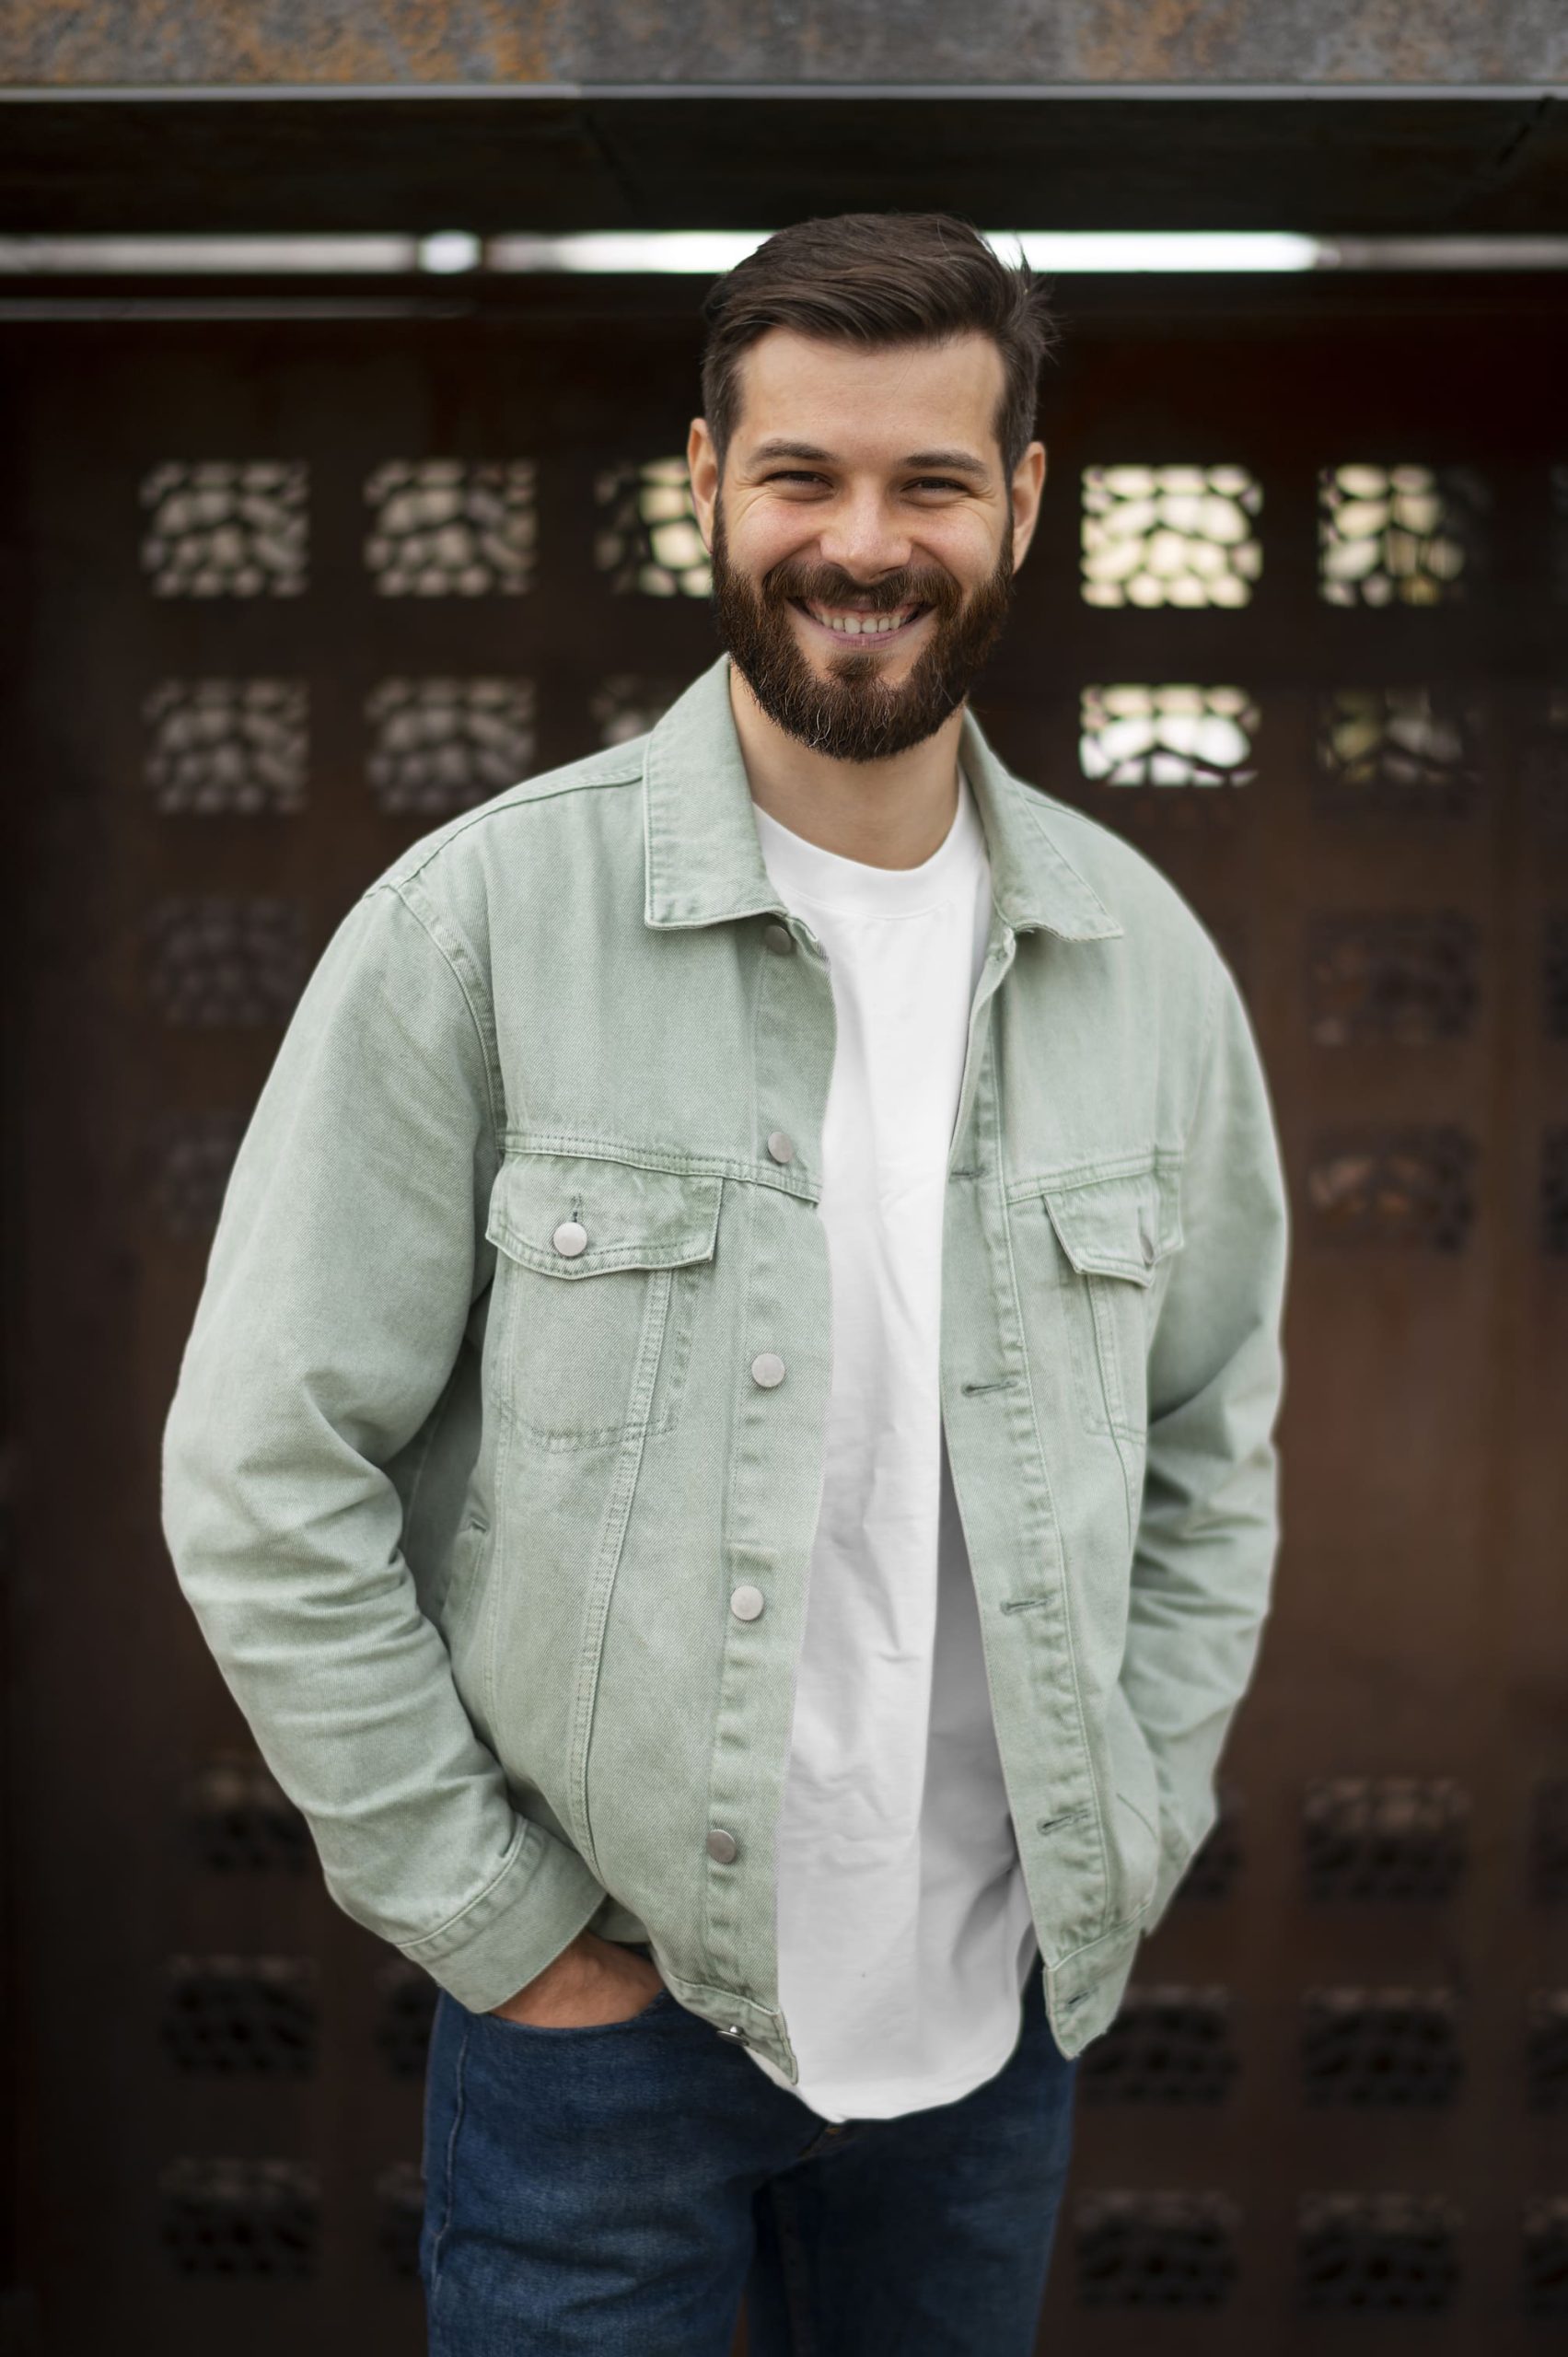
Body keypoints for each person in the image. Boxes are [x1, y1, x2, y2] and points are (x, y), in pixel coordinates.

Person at [161, 211, 1289, 2355]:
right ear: (706, 482)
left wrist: (1126, 1829)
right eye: (801, 476)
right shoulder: (483, 922)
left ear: (1022, 500)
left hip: (991, 2026)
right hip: (605, 2033)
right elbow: (262, 1469)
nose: (863, 542)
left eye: (930, 481)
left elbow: (1212, 1442)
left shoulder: (1144, 962)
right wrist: (501, 1925)